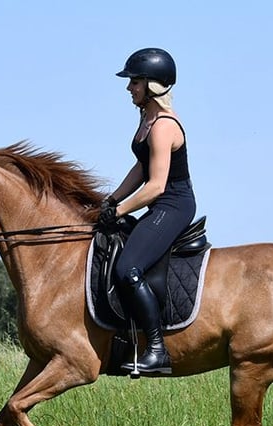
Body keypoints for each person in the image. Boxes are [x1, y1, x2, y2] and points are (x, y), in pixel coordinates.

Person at [98, 47, 197, 375]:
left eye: (135, 82)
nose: (129, 88)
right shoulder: (147, 119)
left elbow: (155, 186)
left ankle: (157, 350)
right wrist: (111, 200)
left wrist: (122, 208)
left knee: (129, 268)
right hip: (159, 201)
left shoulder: (163, 126)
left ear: (154, 84)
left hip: (173, 204)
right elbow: (141, 167)